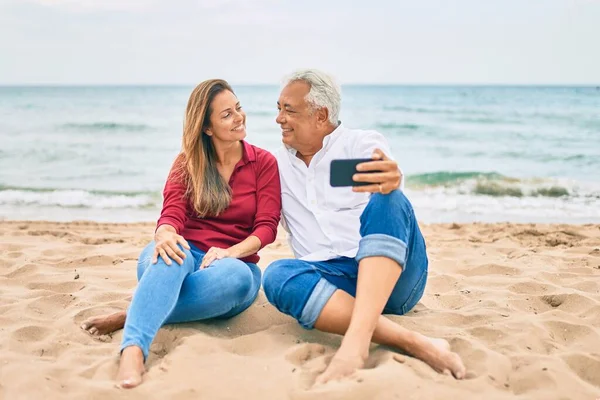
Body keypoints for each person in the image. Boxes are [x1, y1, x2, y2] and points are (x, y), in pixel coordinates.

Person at [262, 69, 466, 384]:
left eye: (289, 110)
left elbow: (386, 170)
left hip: (396, 283)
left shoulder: (360, 143)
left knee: (389, 198)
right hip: (333, 286)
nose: (279, 118)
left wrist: (390, 178)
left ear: (321, 115)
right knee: (277, 275)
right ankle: (412, 341)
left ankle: (356, 343)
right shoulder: (274, 166)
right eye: (278, 108)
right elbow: (254, 220)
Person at [80, 79, 281, 388]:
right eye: (226, 114)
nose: (239, 116)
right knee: (170, 254)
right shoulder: (187, 162)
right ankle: (133, 349)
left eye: (238, 108)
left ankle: (133, 312)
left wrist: (231, 252)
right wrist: (165, 235)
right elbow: (172, 213)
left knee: (237, 279)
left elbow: (267, 227)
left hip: (233, 263)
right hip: (183, 253)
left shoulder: (263, 163)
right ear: (207, 127)